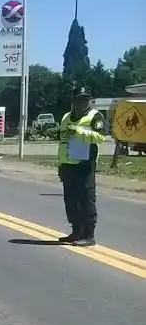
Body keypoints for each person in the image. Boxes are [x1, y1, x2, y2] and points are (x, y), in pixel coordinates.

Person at [56, 87, 107, 246]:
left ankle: (89, 235)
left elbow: (100, 137)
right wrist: (60, 164)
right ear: (73, 100)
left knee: (86, 199)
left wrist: (79, 132)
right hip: (68, 164)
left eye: (86, 99)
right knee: (70, 200)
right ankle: (76, 231)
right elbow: (62, 142)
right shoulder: (66, 117)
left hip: (85, 164)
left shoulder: (95, 116)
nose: (83, 102)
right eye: (79, 99)